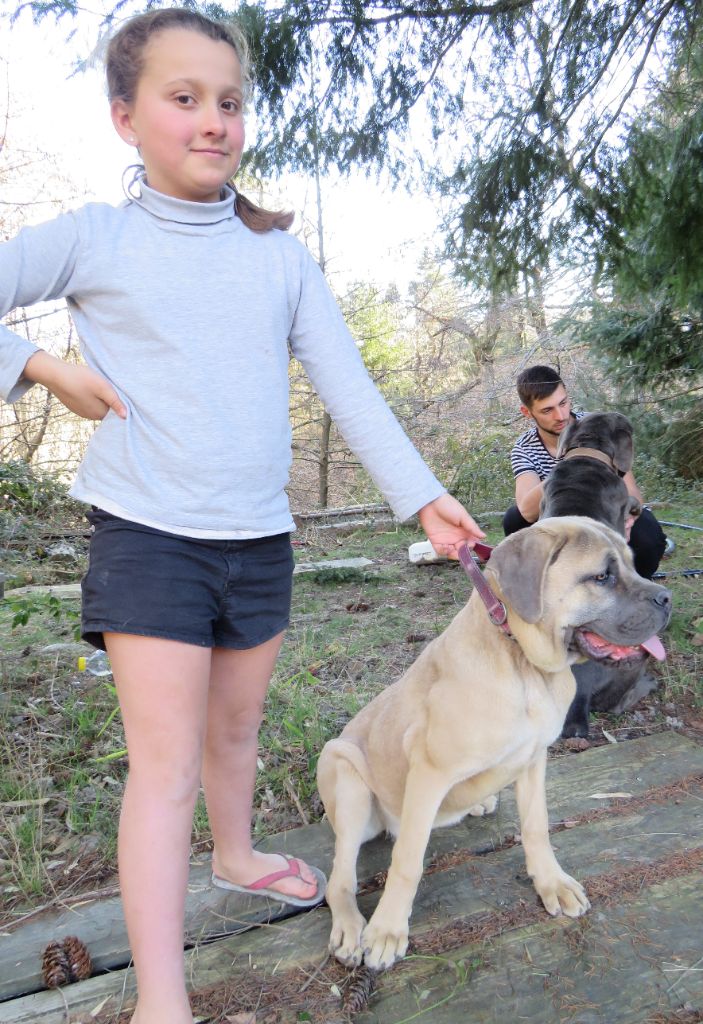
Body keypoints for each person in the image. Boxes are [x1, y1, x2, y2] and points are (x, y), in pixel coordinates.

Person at [0, 10, 484, 1023]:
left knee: (237, 729)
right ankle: (162, 999)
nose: (213, 121)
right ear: (126, 117)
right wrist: (42, 368)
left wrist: (426, 499)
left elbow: (347, 384)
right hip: (148, 540)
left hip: (259, 540)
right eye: (185, 99)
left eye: (229, 102)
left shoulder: (277, 258)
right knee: (165, 765)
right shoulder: (96, 236)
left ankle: (236, 854)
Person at [502, 365, 667, 579]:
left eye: (563, 403)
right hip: (558, 517)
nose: (560, 415)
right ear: (527, 412)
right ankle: (544, 585)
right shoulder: (524, 447)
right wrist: (573, 465)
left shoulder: (599, 426)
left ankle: (634, 586)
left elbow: (632, 492)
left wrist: (627, 518)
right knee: (513, 521)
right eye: (547, 410)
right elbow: (526, 511)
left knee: (648, 535)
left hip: (606, 510)